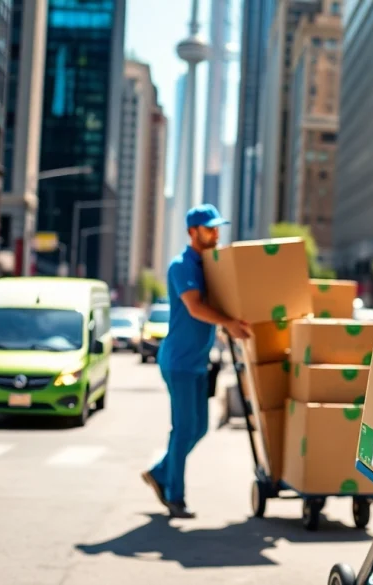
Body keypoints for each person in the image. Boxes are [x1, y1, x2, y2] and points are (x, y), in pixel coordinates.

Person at [141, 203, 252, 519]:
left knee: (199, 427)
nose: (216, 233)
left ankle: (161, 472)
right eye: (209, 228)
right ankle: (174, 496)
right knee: (183, 428)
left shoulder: (210, 264)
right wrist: (228, 324)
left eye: (218, 228)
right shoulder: (183, 265)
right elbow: (195, 308)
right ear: (193, 232)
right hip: (178, 361)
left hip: (198, 361)